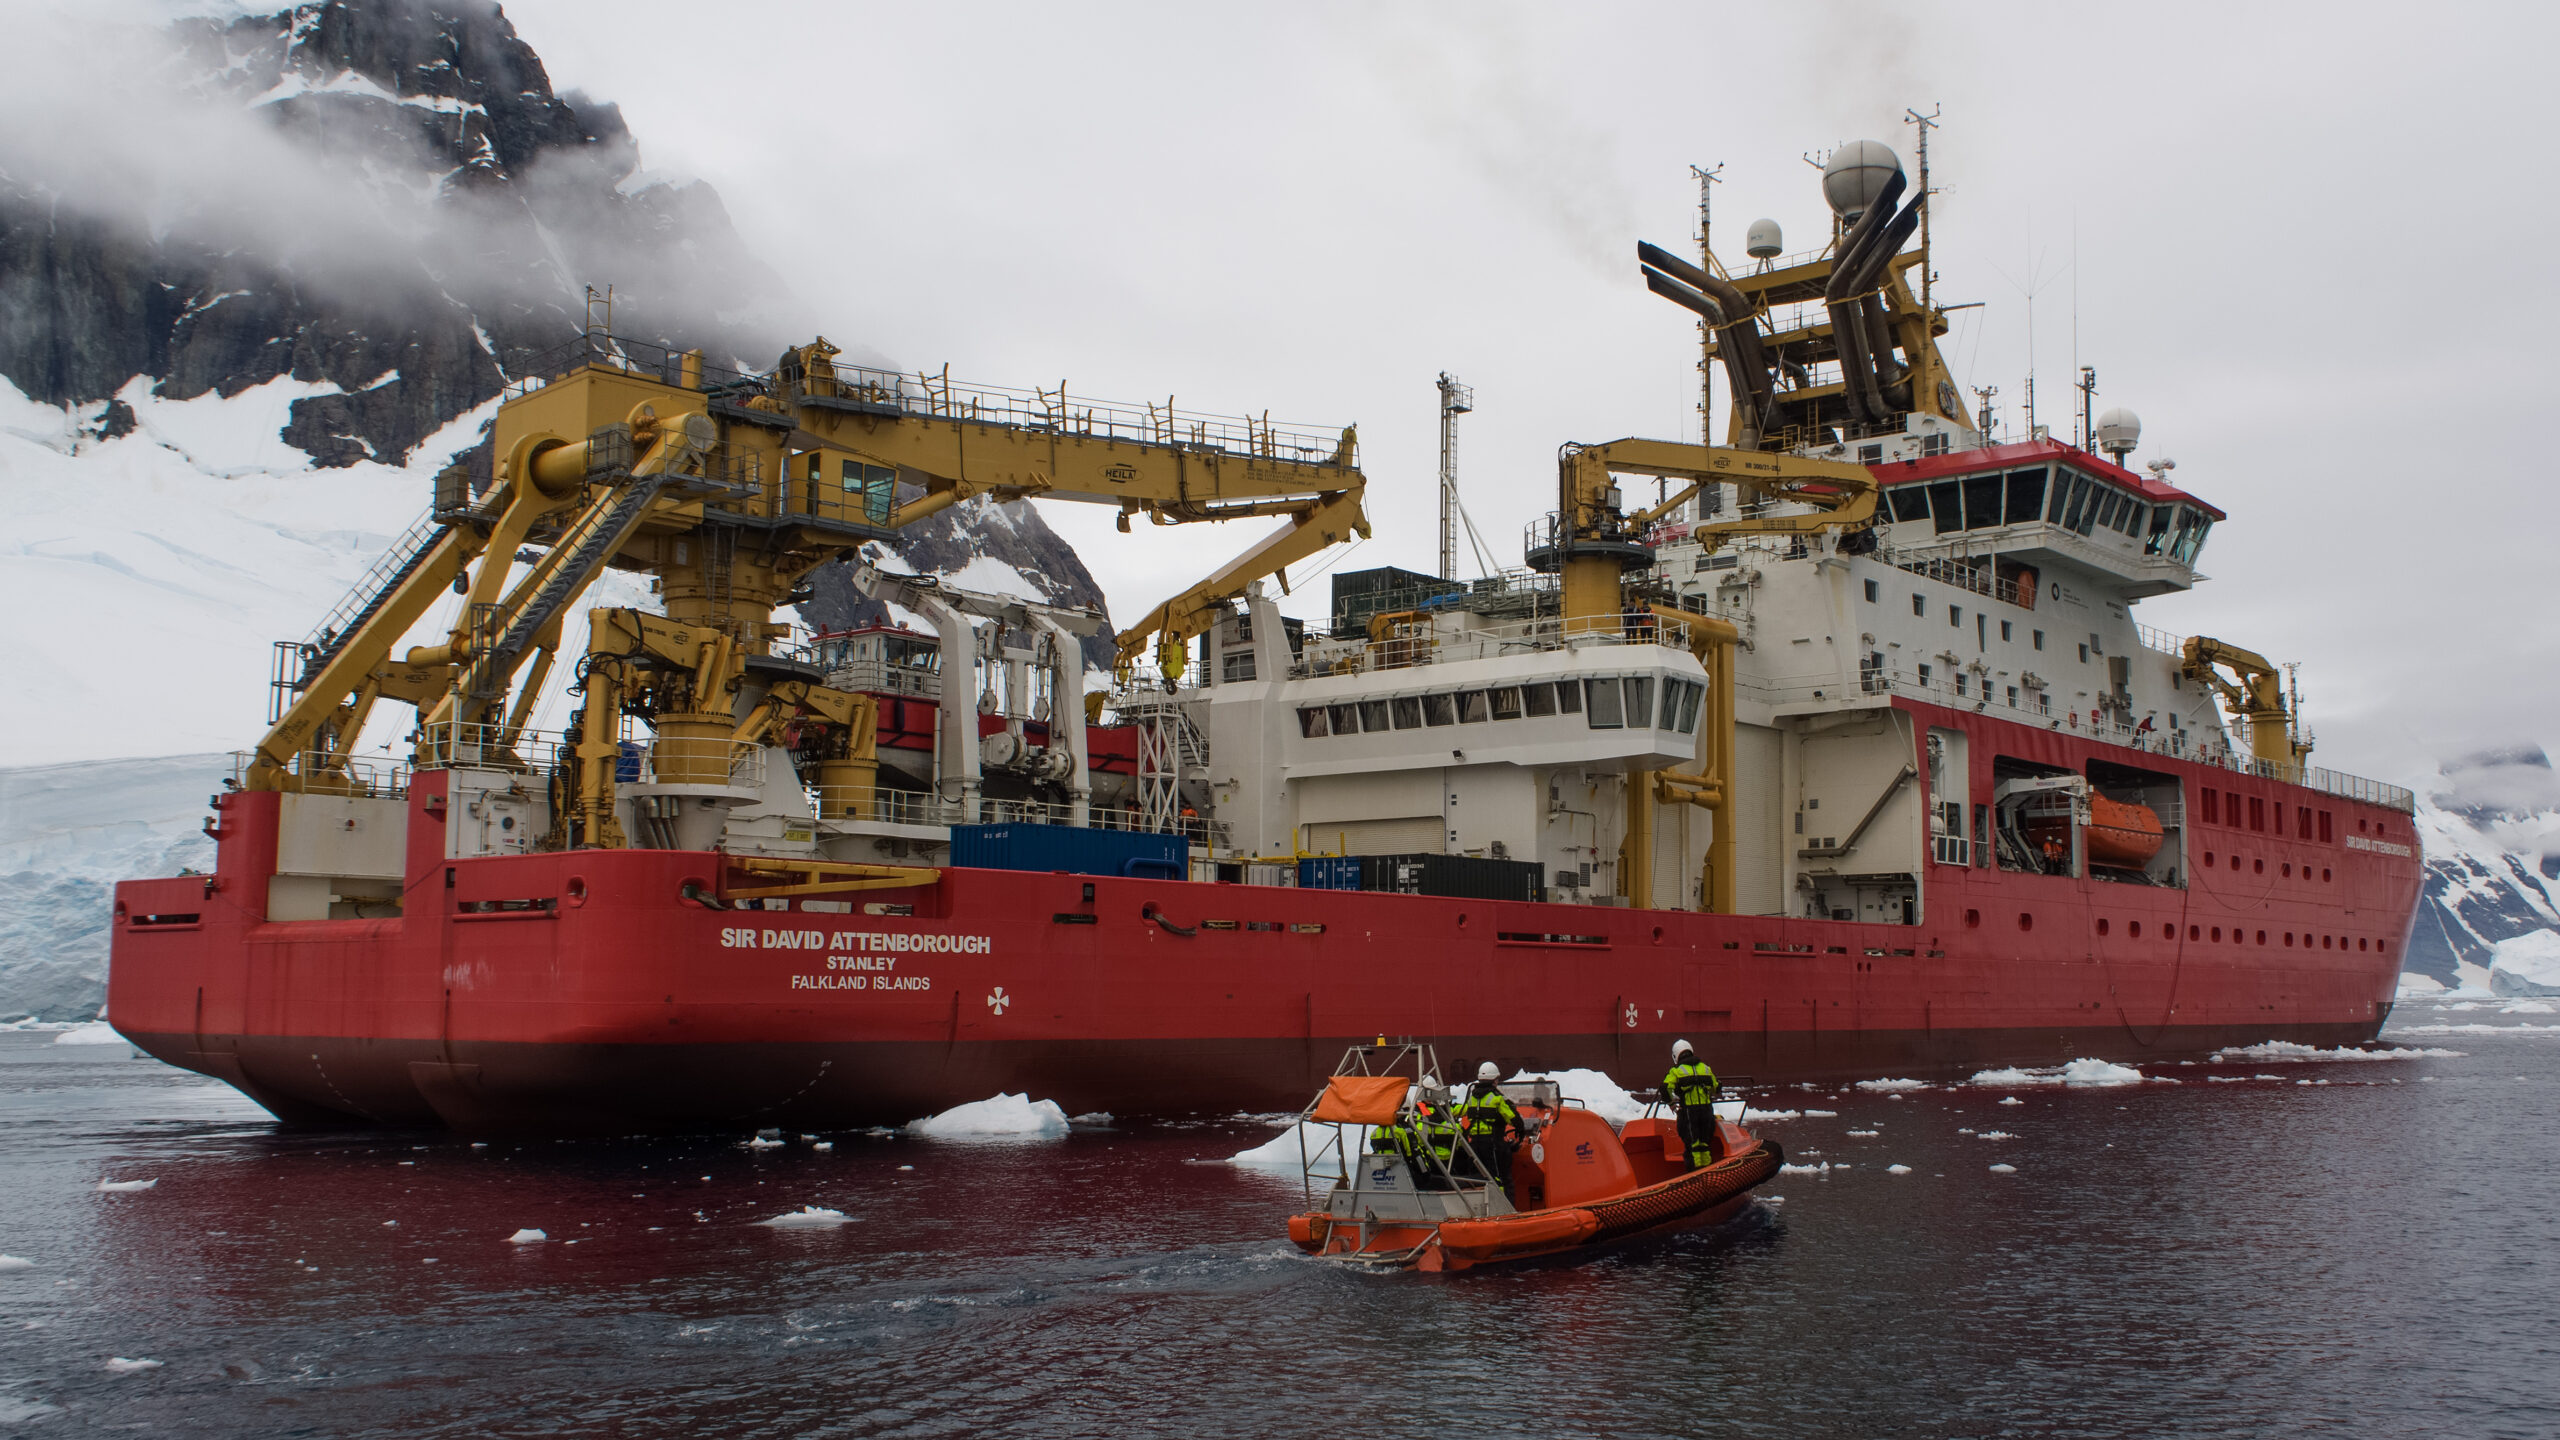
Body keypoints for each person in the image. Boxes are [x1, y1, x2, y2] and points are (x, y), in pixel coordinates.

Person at [1459, 1061, 1523, 1201]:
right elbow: (1512, 1118)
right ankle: (1504, 1208)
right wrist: (1521, 1130)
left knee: (1478, 1177)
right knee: (1501, 1177)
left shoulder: (1472, 1098)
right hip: (1492, 1144)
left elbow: (1465, 1112)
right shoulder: (1496, 1098)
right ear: (1495, 1080)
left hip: (1475, 1144)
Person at [1663, 1039, 1723, 1168]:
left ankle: (1694, 1173)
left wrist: (1671, 1104)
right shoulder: (1706, 1068)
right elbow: (1717, 1087)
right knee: (1705, 1143)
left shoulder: (1677, 1071)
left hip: (1689, 1112)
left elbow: (1664, 1088)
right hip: (1707, 1111)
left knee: (1692, 1144)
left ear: (1676, 1055)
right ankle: (1707, 1170)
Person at [1410, 1076, 1463, 1190]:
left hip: (1447, 1155)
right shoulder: (1416, 1110)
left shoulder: (1442, 1107)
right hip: (1431, 1156)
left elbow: (1461, 1109)